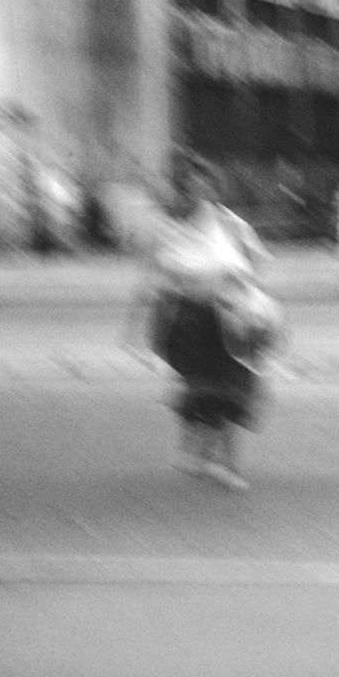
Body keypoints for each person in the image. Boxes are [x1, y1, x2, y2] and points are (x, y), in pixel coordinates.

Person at [136, 155, 276, 492]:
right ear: (180, 190)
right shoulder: (168, 230)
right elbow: (159, 274)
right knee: (205, 389)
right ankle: (201, 455)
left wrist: (242, 286)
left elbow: (256, 262)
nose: (199, 192)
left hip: (231, 318)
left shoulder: (231, 225)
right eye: (190, 186)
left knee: (234, 390)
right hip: (190, 320)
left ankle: (223, 463)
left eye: (205, 185)